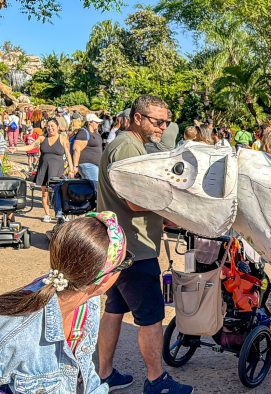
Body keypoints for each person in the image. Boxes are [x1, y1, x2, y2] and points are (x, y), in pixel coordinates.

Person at [97, 95, 193, 394]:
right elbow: (134, 200)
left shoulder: (131, 144)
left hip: (120, 246)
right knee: (151, 318)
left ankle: (104, 374)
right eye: (157, 121)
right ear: (138, 118)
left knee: (114, 310)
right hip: (134, 251)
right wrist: (171, 205)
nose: (163, 127)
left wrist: (161, 218)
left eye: (166, 121)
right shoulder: (128, 147)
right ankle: (156, 381)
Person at [0, 212, 130, 394]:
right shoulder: (12, 333)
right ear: (103, 278)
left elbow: (86, 373)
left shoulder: (87, 302)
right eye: (125, 262)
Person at [9, 118, 76, 223]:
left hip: (58, 170)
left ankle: (62, 213)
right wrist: (16, 149)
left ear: (58, 127)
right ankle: (47, 214)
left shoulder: (63, 139)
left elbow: (68, 154)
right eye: (48, 126)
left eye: (52, 126)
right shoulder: (42, 138)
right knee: (44, 193)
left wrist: (71, 169)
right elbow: (30, 147)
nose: (50, 128)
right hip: (44, 169)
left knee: (59, 192)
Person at [72, 113, 104, 184]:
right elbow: (76, 149)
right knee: (95, 187)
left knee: (92, 188)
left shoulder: (95, 132)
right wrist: (75, 166)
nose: (98, 123)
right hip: (87, 165)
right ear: (89, 122)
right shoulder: (83, 132)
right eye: (96, 122)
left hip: (95, 165)